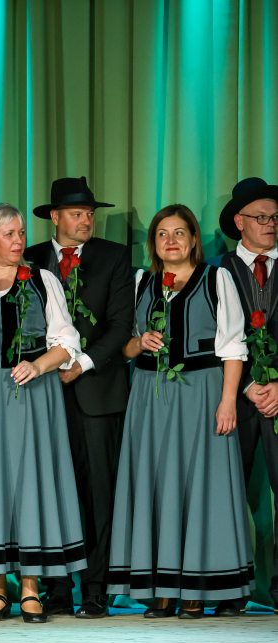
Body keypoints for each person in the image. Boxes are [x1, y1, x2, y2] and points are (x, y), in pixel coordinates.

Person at [109, 204, 255, 618]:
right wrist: (140, 343)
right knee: (156, 484)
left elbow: (233, 346)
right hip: (149, 396)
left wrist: (228, 400)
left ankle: (195, 588)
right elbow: (125, 347)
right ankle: (162, 589)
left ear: (193, 239)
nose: (170, 240)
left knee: (199, 485)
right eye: (162, 234)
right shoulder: (141, 282)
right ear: (153, 243)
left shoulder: (216, 278)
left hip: (201, 393)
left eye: (179, 233)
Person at [0, 204, 87, 624]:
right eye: (9, 234)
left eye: (21, 233)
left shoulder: (41, 280)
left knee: (31, 486)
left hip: (32, 392)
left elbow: (67, 342)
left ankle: (31, 587)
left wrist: (37, 365)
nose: (18, 241)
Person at [24, 177, 134, 619]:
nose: (86, 220)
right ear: (55, 216)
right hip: (42, 391)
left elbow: (120, 324)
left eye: (90, 213)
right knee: (50, 489)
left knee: (98, 493)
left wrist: (82, 363)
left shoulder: (113, 256)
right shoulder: (29, 257)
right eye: (76, 213)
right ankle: (56, 588)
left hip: (96, 390)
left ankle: (96, 588)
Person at [217, 177, 278, 616]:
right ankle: (228, 589)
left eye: (275, 217)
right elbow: (207, 337)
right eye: (261, 217)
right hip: (233, 399)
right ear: (240, 222)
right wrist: (246, 386)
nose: (270, 224)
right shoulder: (215, 270)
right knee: (224, 492)